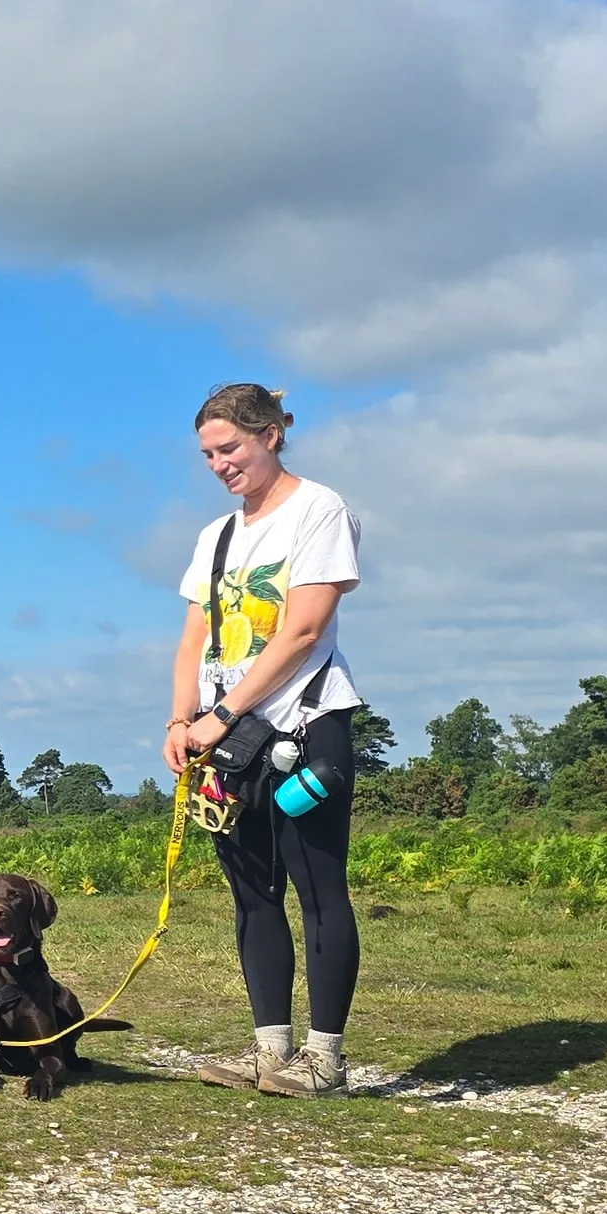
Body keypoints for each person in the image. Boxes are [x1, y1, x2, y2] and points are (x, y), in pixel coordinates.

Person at [160, 384, 362, 1098]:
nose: (220, 464)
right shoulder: (215, 536)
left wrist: (222, 714)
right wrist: (182, 721)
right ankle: (270, 1050)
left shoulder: (319, 510)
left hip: (306, 727)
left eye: (232, 448)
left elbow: (303, 628)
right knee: (253, 896)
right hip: (232, 740)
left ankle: (325, 1059)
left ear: (272, 434)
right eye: (209, 454)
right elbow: (195, 637)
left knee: (318, 891)